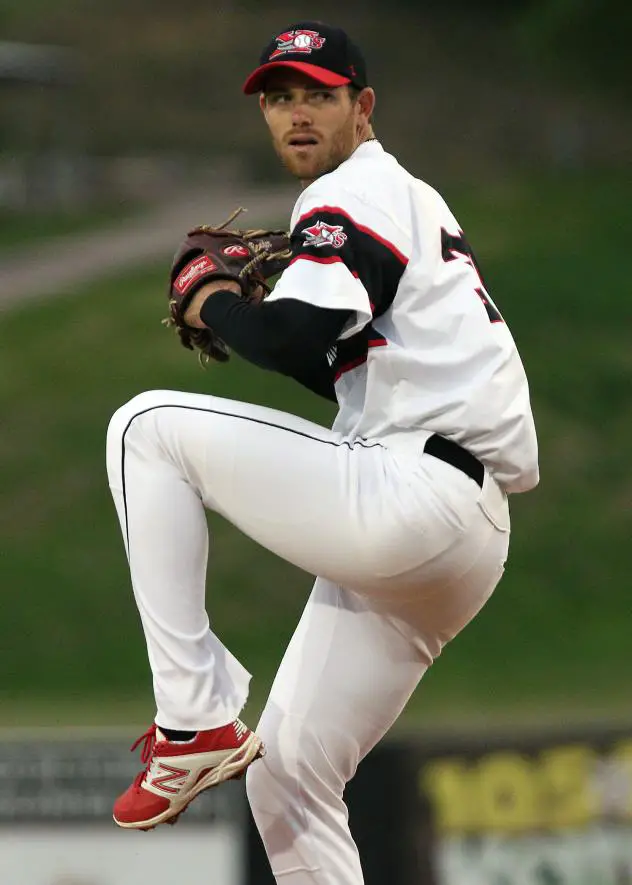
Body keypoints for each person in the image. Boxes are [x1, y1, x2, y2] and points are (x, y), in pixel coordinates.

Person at [106, 18, 538, 883]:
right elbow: (335, 365)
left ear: (363, 106)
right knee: (291, 776)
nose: (297, 114)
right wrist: (243, 320)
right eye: (280, 97)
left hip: (411, 496)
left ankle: (192, 719)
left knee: (144, 429)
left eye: (319, 95)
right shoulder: (409, 199)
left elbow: (290, 333)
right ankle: (211, 733)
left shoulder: (353, 191)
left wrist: (215, 303)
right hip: (460, 532)